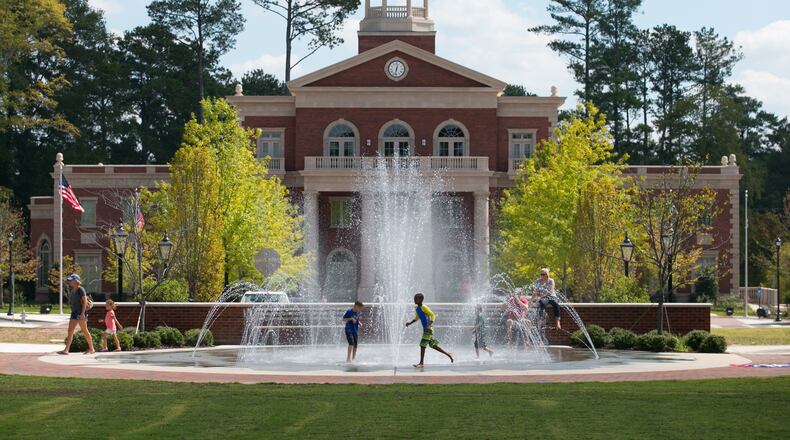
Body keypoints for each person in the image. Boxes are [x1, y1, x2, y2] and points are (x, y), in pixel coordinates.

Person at [405, 293, 453, 368]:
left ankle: (421, 363)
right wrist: (410, 323)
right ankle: (448, 354)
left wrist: (430, 324)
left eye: (416, 298)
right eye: (414, 298)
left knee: (422, 345)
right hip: (425, 329)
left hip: (428, 329)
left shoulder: (424, 307)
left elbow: (432, 315)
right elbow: (417, 318)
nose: (414, 300)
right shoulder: (417, 308)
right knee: (433, 345)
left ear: (420, 300)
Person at [58, 274, 96, 355]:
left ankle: (92, 349)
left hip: (80, 314)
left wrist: (82, 314)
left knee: (85, 331)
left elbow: (85, 301)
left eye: (71, 280)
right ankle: (66, 350)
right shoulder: (73, 290)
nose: (70, 282)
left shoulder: (81, 289)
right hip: (74, 313)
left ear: (76, 281)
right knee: (70, 330)